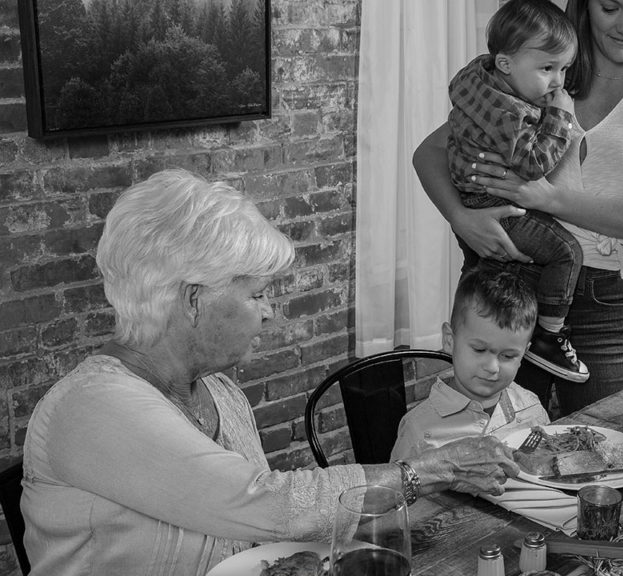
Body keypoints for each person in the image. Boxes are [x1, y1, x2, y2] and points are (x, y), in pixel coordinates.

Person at [20, 169, 518, 576]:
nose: (269, 313)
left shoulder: (219, 391)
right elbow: (267, 503)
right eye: (256, 294)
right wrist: (430, 470)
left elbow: (263, 536)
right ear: (194, 299)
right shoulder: (94, 408)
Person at [413, 0, 623, 417]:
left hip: (605, 303)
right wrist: (461, 217)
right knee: (494, 450)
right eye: (609, 7)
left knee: (608, 456)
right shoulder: (543, 65)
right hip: (506, 282)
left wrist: (549, 199)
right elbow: (429, 153)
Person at [448, 0, 588, 383]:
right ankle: (548, 335)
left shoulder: (478, 76)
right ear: (507, 63)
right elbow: (532, 164)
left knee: (490, 288)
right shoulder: (511, 111)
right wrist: (561, 115)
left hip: (475, 201)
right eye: (547, 69)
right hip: (495, 205)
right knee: (566, 252)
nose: (558, 81)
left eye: (563, 68)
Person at [390, 267, 550, 461]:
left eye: (508, 356)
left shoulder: (531, 409)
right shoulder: (418, 430)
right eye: (479, 350)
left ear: (524, 353)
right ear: (450, 340)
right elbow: (400, 489)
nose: (492, 367)